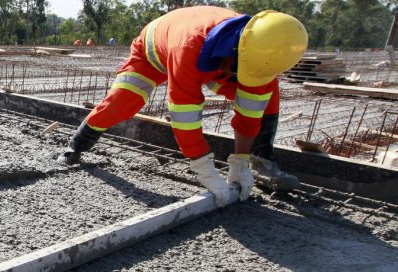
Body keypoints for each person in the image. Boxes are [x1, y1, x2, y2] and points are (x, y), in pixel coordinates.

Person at [58, 7, 307, 204]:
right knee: (123, 103)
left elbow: (250, 112)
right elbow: (184, 116)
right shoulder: (188, 47)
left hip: (213, 56)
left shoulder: (260, 52)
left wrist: (239, 161)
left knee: (268, 93)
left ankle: (260, 161)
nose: (242, 77)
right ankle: (76, 145)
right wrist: (204, 168)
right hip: (153, 54)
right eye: (238, 70)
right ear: (235, 51)